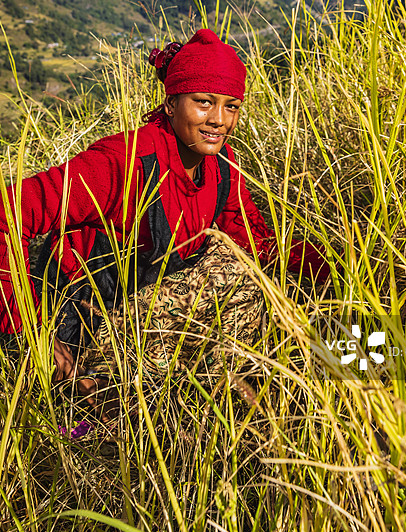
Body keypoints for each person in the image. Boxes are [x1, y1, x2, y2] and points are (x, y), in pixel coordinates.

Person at [0, 29, 327, 410]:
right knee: (233, 279)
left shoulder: (222, 168)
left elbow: (255, 240)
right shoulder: (123, 163)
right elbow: (8, 214)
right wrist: (30, 329)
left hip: (145, 309)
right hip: (78, 323)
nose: (220, 120)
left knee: (246, 277)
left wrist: (335, 272)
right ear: (171, 104)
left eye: (232, 106)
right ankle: (95, 398)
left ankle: (190, 400)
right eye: (204, 102)